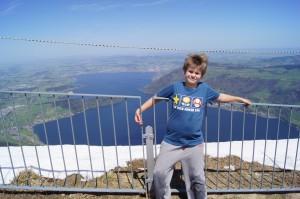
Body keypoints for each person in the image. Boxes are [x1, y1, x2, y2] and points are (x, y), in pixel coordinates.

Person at [135, 54, 251, 199]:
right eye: (191, 71)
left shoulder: (204, 89)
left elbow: (220, 97)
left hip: (193, 144)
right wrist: (140, 110)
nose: (193, 75)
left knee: (198, 179)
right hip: (172, 142)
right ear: (185, 71)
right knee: (159, 174)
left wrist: (240, 99)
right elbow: (155, 98)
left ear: (201, 75)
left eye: (197, 73)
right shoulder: (175, 87)